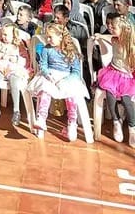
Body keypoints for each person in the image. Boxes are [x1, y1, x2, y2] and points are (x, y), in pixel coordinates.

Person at [28, 23, 88, 141]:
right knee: (45, 90)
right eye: (47, 37)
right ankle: (41, 118)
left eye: (51, 37)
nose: (48, 39)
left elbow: (76, 71)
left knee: (71, 95)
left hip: (67, 78)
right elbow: (43, 65)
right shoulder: (46, 49)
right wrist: (47, 74)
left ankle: (72, 122)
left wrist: (66, 80)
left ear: (60, 36)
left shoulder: (71, 51)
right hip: (51, 75)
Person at [94, 14, 135, 145]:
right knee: (110, 98)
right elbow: (108, 37)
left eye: (114, 27)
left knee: (126, 101)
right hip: (113, 73)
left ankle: (132, 128)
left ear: (123, 29)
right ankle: (116, 121)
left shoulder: (131, 46)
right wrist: (100, 36)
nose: (110, 28)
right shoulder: (114, 39)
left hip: (127, 77)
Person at [0, 19, 30, 126]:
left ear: (13, 35)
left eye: (6, 35)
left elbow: (26, 59)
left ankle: (16, 110)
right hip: (0, 67)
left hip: (14, 69)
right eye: (2, 34)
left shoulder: (18, 45)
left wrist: (16, 59)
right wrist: (1, 56)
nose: (4, 37)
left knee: (14, 83)